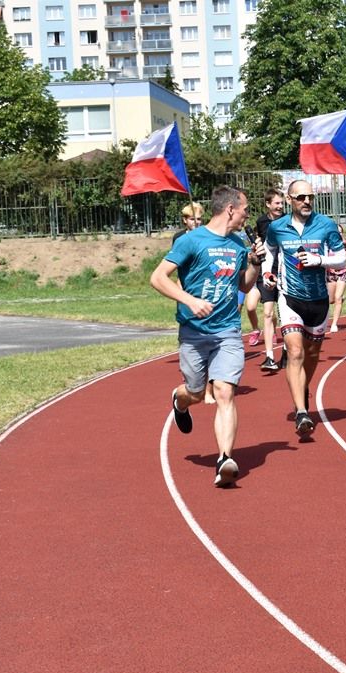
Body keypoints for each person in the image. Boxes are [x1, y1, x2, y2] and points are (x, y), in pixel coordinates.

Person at [149, 186, 263, 487]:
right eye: (245, 209)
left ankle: (225, 459)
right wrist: (189, 300)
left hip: (227, 331)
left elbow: (244, 285)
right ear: (230, 209)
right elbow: (157, 278)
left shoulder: (239, 243)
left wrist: (253, 263)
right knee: (197, 392)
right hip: (194, 333)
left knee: (225, 392)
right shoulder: (191, 241)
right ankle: (180, 400)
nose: (247, 215)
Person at [261, 180, 346, 437]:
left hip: (319, 299)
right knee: (295, 352)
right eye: (301, 197)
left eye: (310, 196)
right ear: (290, 200)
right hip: (289, 298)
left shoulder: (326, 225)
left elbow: (342, 257)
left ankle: (302, 388)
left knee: (311, 355)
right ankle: (301, 411)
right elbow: (269, 251)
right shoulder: (277, 227)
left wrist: (319, 260)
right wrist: (267, 271)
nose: (307, 201)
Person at [251, 189, 285, 371]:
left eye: (281, 203)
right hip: (267, 269)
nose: (280, 206)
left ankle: (287, 349)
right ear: (268, 204)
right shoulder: (261, 221)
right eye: (277, 203)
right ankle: (269, 356)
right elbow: (260, 241)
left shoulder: (288, 220)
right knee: (268, 313)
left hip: (286, 270)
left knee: (284, 313)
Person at [326, 225, 346, 332]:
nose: (338, 233)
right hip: (330, 274)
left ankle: (334, 324)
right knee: (330, 300)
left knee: (338, 298)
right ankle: (339, 299)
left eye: (340, 232)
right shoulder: (326, 244)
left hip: (342, 274)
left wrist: (341, 267)